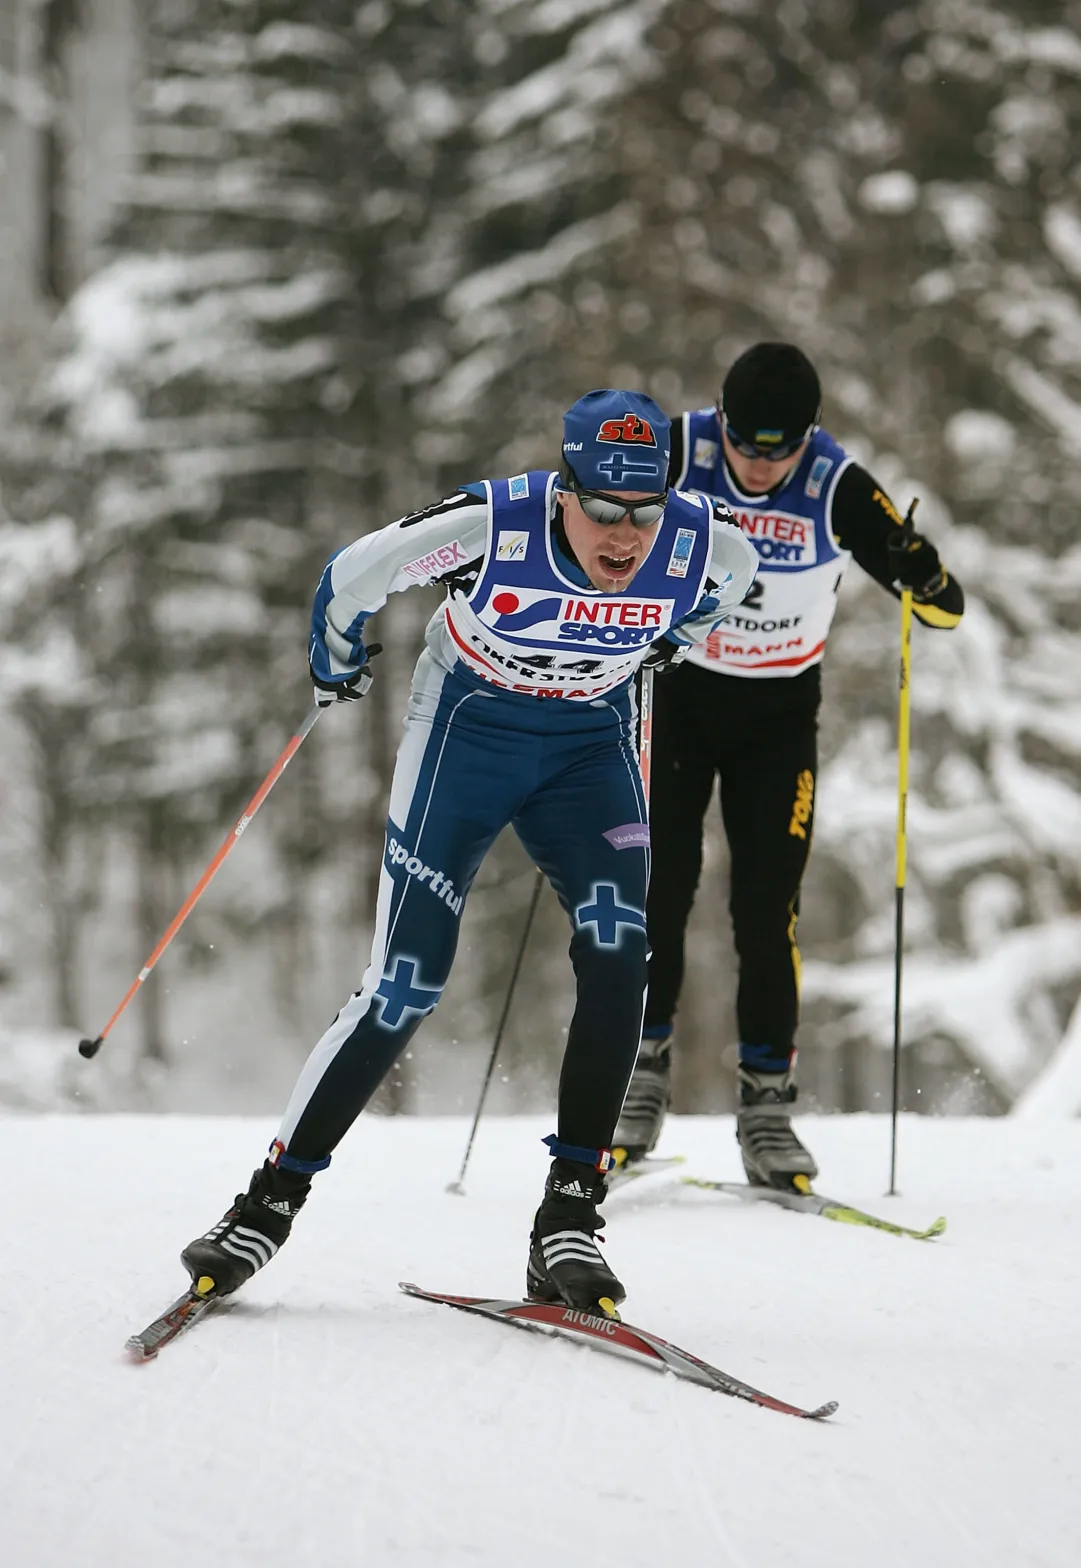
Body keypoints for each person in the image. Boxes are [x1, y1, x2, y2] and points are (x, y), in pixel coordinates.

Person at [180, 389, 758, 1314]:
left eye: (643, 511)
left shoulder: (702, 543)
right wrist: (337, 659)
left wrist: (662, 644)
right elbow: (352, 576)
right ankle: (264, 1207)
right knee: (405, 983)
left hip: (588, 749)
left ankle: (568, 1216)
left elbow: (728, 582)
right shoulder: (494, 527)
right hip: (467, 736)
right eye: (603, 508)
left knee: (620, 954)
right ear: (565, 490)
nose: (623, 534)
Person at [613, 343, 965, 1188]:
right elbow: (583, 526)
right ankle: (639, 1080)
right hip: (680, 701)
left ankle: (766, 1108)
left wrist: (919, 570)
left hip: (777, 719)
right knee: (657, 888)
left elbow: (944, 610)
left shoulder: (835, 483)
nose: (760, 464)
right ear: (722, 424)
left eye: (781, 448)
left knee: (767, 911)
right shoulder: (673, 450)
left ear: (809, 434)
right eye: (746, 443)